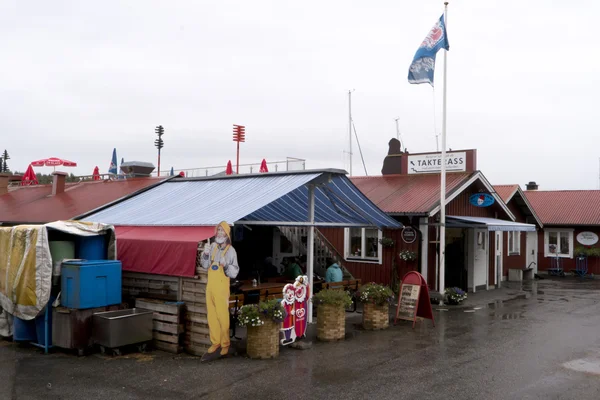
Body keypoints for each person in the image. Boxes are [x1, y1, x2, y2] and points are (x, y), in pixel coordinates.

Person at [200, 221, 239, 362]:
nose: (220, 233)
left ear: (227, 234)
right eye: (218, 231)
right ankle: (215, 342)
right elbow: (204, 265)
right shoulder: (213, 247)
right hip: (210, 287)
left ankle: (225, 344)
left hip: (222, 288)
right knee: (211, 316)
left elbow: (234, 272)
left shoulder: (231, 251)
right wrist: (204, 255)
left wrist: (226, 265)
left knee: (222, 316)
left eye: (223, 231)